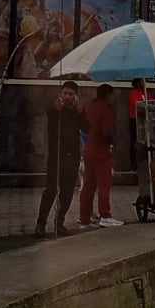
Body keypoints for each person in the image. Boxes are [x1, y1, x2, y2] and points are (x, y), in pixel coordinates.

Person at [36, 79, 86, 237]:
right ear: (61, 94)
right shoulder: (55, 109)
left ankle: (59, 222)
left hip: (72, 158)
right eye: (65, 93)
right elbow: (49, 112)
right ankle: (40, 224)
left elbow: (86, 128)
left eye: (71, 94)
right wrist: (55, 109)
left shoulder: (78, 112)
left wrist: (81, 113)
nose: (67, 96)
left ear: (76, 96)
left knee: (67, 192)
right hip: (56, 157)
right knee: (50, 190)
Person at [80, 83, 120, 227]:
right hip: (102, 151)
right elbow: (107, 131)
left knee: (88, 186)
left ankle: (84, 218)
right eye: (112, 95)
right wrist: (112, 143)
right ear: (108, 95)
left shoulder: (89, 106)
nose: (114, 98)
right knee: (104, 184)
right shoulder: (106, 109)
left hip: (88, 149)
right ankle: (105, 215)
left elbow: (83, 125)